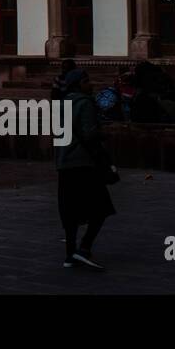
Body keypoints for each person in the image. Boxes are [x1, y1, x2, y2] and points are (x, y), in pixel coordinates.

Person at [54, 68, 116, 270]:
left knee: (70, 212)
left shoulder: (60, 105)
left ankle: (69, 255)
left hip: (64, 164)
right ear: (79, 84)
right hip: (83, 162)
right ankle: (84, 248)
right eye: (87, 81)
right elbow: (90, 134)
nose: (91, 84)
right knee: (101, 207)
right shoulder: (85, 103)